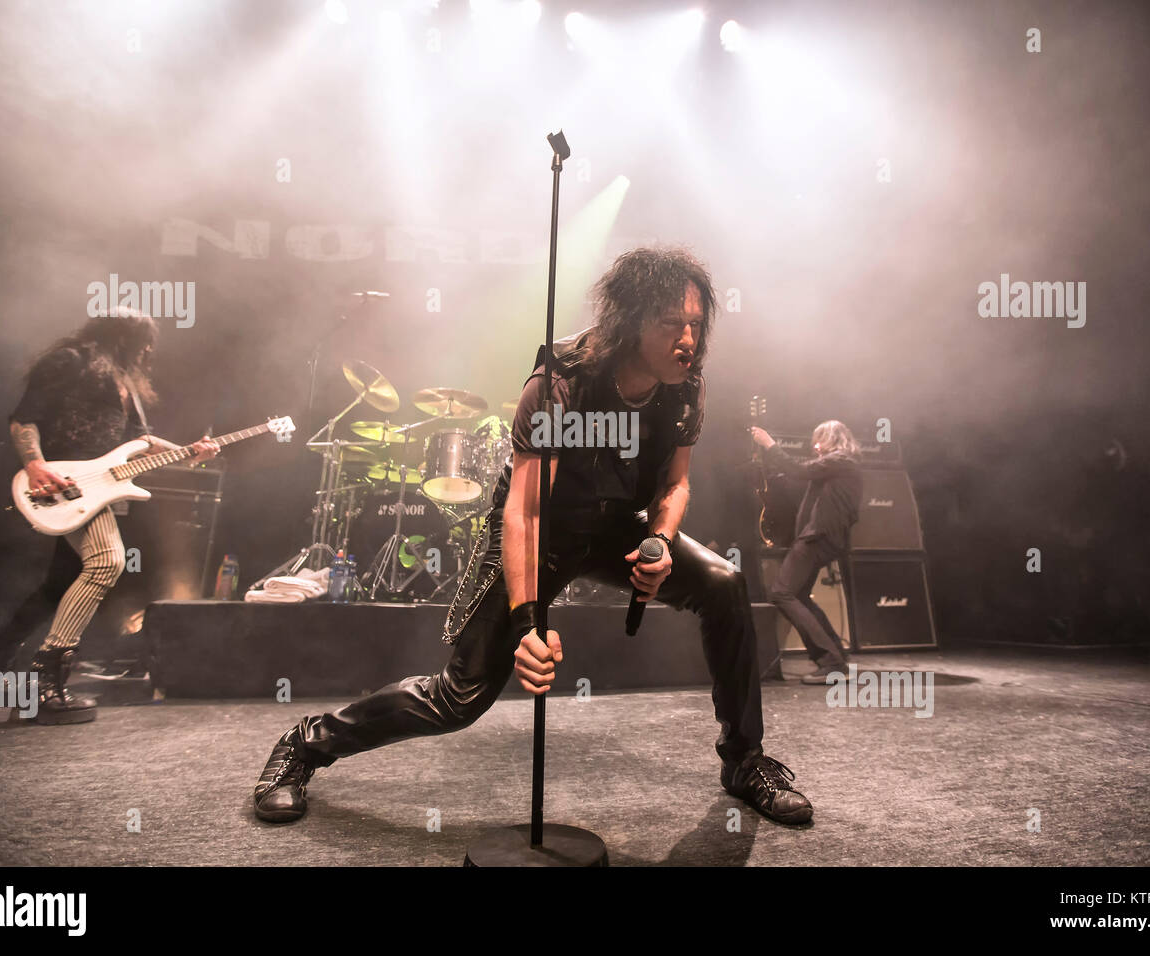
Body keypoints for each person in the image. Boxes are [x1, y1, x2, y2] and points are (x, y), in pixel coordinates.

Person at [254, 248, 814, 827]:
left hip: (614, 526)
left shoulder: (685, 386)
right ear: (632, 320)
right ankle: (305, 744)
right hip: (537, 530)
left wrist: (662, 544)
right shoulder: (562, 383)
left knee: (722, 582)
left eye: (697, 325)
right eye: (673, 324)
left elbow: (675, 482)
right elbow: (523, 511)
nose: (689, 340)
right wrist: (527, 625)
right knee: (459, 698)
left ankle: (745, 761)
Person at [0, 308, 217, 723]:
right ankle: (47, 678)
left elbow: (137, 442)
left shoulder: (122, 381)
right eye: (145, 341)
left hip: (95, 491)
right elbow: (25, 418)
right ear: (124, 337)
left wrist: (190, 451)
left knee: (58, 586)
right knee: (107, 561)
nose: (148, 351)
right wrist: (37, 466)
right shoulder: (71, 361)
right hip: (62, 484)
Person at [749, 421, 863, 684]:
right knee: (798, 594)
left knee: (781, 592)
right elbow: (801, 473)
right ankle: (836, 655)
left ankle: (832, 664)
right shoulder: (840, 464)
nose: (815, 446)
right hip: (823, 537)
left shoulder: (841, 460)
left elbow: (800, 470)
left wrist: (770, 445)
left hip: (818, 537)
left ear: (832, 438)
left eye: (819, 440)